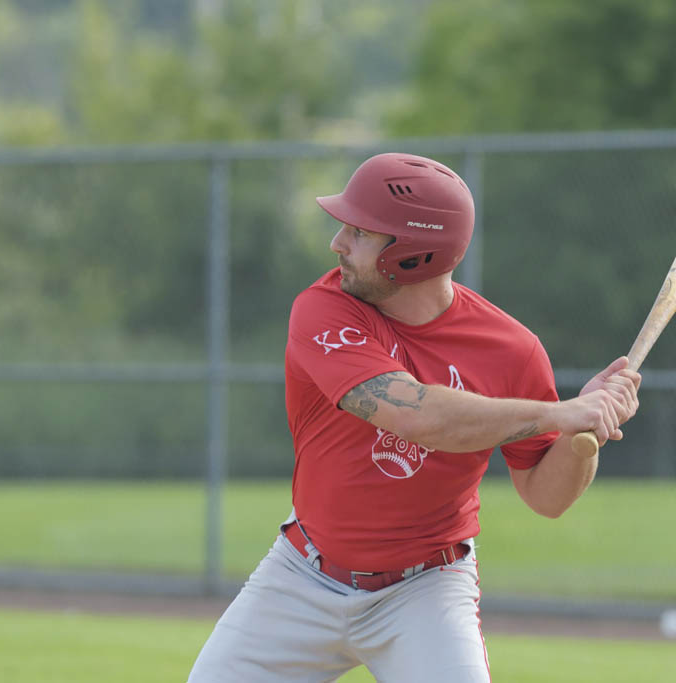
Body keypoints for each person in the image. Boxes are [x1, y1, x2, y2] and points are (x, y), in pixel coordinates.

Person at [188, 152, 641, 682]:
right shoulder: (324, 308)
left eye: (359, 232)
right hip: (303, 576)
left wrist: (584, 430)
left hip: (425, 590)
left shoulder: (513, 351)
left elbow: (548, 497)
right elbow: (418, 416)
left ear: (412, 257)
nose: (337, 243)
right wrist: (558, 412)